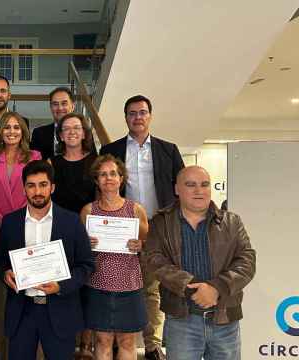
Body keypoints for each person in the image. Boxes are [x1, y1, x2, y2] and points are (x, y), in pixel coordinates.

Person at [99, 94, 184, 360]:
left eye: (142, 112)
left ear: (150, 116)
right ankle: (115, 339)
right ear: (126, 118)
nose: (138, 117)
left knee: (150, 286)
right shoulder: (110, 150)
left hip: (157, 227)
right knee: (115, 281)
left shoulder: (168, 150)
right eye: (132, 113)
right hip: (120, 226)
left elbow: (179, 186)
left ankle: (151, 344)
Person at [146, 166, 256, 360]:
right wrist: (192, 288)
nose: (199, 190)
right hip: (182, 321)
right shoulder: (160, 222)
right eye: (191, 185)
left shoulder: (232, 221)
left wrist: (217, 288)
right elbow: (154, 260)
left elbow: (247, 261)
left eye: (204, 184)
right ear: (177, 189)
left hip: (225, 321)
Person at [0, 160, 94, 360]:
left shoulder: (71, 221)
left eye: (43, 185)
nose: (37, 191)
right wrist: (5, 273)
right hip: (22, 310)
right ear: (24, 189)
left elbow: (86, 265)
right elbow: (0, 260)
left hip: (59, 310)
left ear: (52, 187)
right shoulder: (10, 222)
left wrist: (61, 286)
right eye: (31, 185)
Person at [79, 155, 149, 360]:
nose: (108, 178)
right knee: (102, 341)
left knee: (127, 342)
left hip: (129, 285)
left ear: (121, 178)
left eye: (113, 173)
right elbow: (79, 251)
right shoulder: (88, 211)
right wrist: (86, 246)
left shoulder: (136, 210)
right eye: (102, 174)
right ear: (96, 180)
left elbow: (149, 245)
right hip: (98, 284)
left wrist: (140, 245)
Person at [0, 111, 41, 226]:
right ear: (0, 132)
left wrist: (22, 216)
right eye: (7, 127)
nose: (12, 131)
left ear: (22, 131)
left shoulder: (35, 157)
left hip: (28, 221)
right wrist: (0, 219)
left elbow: (36, 190)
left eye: (16, 127)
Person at [50, 113, 97, 214]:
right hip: (60, 221)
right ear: (61, 136)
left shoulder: (96, 162)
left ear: (84, 134)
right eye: (66, 129)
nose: (72, 132)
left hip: (90, 221)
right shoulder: (51, 163)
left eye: (77, 128)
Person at [30, 87, 96, 160]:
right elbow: (34, 166)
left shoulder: (84, 132)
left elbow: (93, 161)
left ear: (72, 106)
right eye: (55, 104)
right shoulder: (39, 134)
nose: (60, 108)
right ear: (51, 107)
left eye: (64, 103)